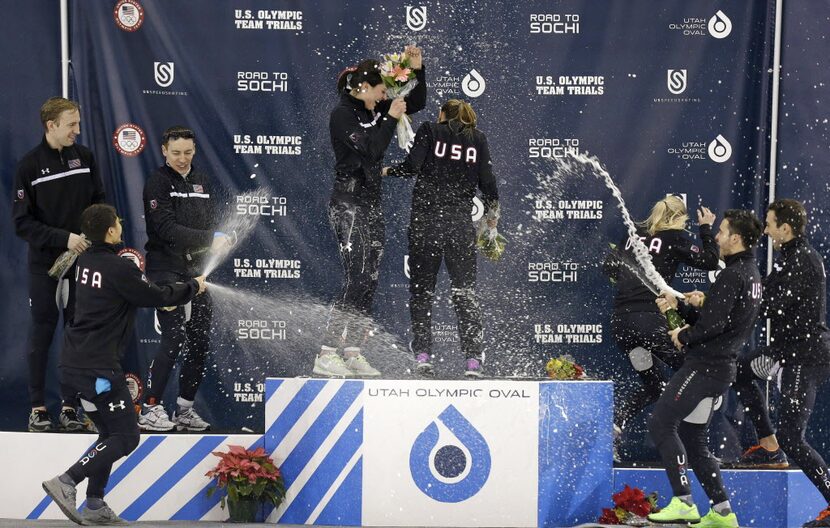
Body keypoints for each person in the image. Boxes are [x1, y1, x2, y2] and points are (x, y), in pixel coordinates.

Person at [42, 203, 205, 525]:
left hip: (73, 365)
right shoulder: (119, 268)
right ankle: (67, 480)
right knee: (127, 437)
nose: (120, 224)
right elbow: (157, 296)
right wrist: (193, 287)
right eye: (117, 222)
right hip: (98, 371)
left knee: (108, 434)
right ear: (111, 231)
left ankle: (95, 504)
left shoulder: (84, 260)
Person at [648, 209, 763, 528]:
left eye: (722, 232)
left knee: (661, 423)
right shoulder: (750, 273)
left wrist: (681, 333)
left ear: (736, 239)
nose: (716, 237)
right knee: (693, 438)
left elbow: (708, 327)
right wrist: (680, 308)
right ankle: (723, 512)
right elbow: (718, 321)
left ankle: (683, 501)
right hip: (718, 369)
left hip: (705, 368)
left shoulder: (732, 275)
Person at [317, 45, 426, 378]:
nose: (384, 97)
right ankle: (326, 351)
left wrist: (418, 71)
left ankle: (352, 352)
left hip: (371, 204)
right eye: (381, 91)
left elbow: (415, 102)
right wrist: (391, 117)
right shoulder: (343, 115)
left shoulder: (374, 107)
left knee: (370, 281)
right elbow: (372, 150)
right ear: (363, 86)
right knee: (357, 276)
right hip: (347, 204)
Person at [729, 199, 830, 526]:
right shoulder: (790, 256)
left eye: (770, 224)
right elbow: (763, 297)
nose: (767, 230)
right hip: (784, 352)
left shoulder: (802, 260)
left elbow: (769, 305)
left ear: (785, 229)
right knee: (739, 371)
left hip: (804, 357)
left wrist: (727, 301)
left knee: (793, 437)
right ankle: (769, 447)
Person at [383, 99, 498, 378]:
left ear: (443, 115)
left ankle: (423, 356)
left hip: (426, 226)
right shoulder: (478, 139)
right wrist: (490, 223)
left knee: (422, 293)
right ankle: (473, 361)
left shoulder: (430, 130)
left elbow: (411, 167)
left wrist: (386, 170)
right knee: (465, 294)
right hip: (460, 228)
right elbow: (489, 187)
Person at [13, 96, 106, 432]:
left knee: (79, 335)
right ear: (51, 125)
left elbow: (99, 203)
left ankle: (70, 408)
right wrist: (63, 238)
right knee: (41, 334)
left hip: (83, 263)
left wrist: (95, 234)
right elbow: (21, 224)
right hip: (45, 267)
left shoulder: (85, 158)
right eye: (71, 125)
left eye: (78, 124)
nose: (77, 131)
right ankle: (38, 409)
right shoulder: (28, 166)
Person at [603, 196, 720, 444]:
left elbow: (609, 269)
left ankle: (616, 424)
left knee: (655, 386)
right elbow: (710, 260)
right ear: (678, 219)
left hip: (622, 324)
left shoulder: (632, 236)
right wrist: (706, 228)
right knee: (696, 370)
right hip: (649, 322)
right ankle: (693, 442)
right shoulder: (674, 238)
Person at [138, 126, 232, 432]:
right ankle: (150, 408)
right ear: (164, 150)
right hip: (165, 270)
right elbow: (166, 230)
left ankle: (184, 410)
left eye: (188, 153)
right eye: (176, 153)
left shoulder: (202, 180)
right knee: (173, 337)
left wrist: (218, 239)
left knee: (199, 342)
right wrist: (210, 237)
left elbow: (209, 223)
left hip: (197, 271)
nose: (182, 159)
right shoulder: (157, 182)